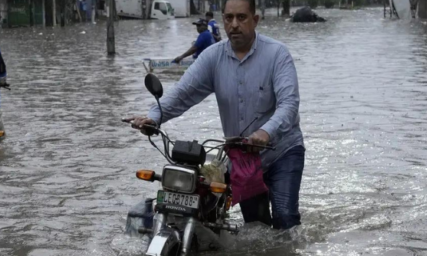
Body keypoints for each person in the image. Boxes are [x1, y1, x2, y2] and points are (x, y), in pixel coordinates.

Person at [128, 0, 304, 230]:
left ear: (255, 20)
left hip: (282, 150)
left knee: (284, 216)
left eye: (241, 18)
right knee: (256, 228)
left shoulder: (276, 54)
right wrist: (153, 117)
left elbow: (289, 104)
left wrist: (265, 132)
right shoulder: (213, 57)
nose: (234, 25)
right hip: (244, 159)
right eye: (229, 18)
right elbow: (183, 93)